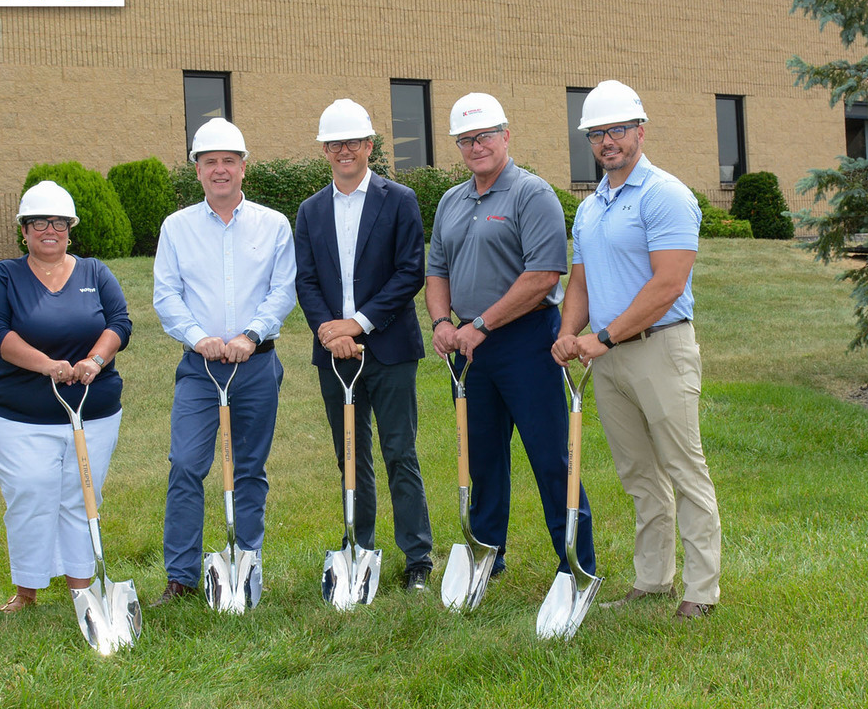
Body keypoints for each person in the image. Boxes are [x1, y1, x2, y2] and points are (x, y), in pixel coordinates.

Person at [551, 79, 721, 621]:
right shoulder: (591, 204)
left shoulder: (665, 194)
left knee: (683, 469)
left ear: (640, 132)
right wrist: (567, 331)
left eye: (618, 130)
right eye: (597, 133)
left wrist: (601, 337)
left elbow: (667, 285)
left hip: (658, 347)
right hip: (608, 357)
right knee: (638, 475)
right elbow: (580, 281)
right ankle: (653, 580)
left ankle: (702, 590)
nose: (608, 141)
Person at [425, 92, 595, 582]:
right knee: (481, 456)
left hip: (526, 341)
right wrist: (442, 323)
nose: (476, 146)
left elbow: (543, 275)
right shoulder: (452, 201)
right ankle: (487, 556)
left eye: (484, 136)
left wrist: (480, 325)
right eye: (466, 139)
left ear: (505, 136)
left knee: (550, 456)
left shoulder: (532, 193)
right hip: (470, 349)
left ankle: (574, 562)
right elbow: (437, 271)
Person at [150, 118, 297, 606]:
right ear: (196, 171)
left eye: (228, 162)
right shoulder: (177, 227)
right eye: (209, 162)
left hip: (256, 365)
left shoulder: (273, 224)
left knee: (250, 468)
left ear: (243, 168)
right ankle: (182, 577)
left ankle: (245, 563)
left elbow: (282, 291)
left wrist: (251, 335)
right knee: (187, 465)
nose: (219, 170)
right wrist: (199, 338)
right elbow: (167, 295)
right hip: (201, 367)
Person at [295, 99, 433, 590]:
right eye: (335, 144)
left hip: (390, 347)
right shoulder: (310, 210)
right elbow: (306, 281)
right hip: (333, 355)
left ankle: (417, 555)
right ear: (325, 150)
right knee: (350, 455)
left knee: (400, 451)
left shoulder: (399, 200)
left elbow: (408, 273)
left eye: (353, 142)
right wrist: (331, 333)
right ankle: (361, 546)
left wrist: (357, 325)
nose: (344, 150)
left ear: (370, 146)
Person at [0, 180, 132, 613]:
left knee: (81, 495)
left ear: (70, 228)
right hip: (16, 412)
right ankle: (27, 590)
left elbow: (119, 322)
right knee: (32, 489)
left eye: (59, 222)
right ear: (24, 230)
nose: (50, 230)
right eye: (39, 222)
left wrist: (95, 361)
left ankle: (82, 589)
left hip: (91, 409)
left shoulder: (95, 272)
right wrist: (47, 365)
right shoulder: (5, 275)